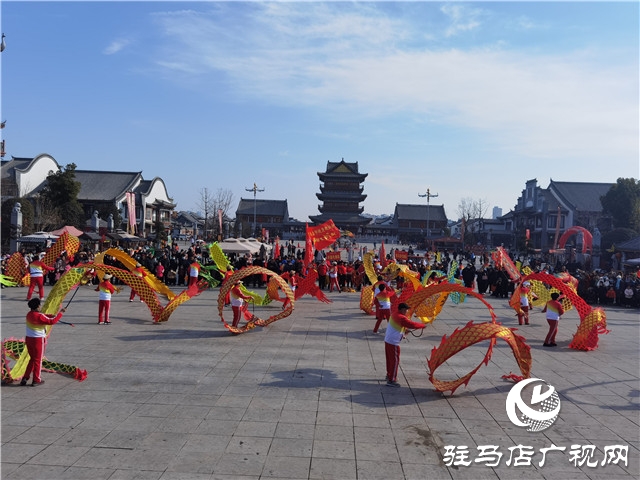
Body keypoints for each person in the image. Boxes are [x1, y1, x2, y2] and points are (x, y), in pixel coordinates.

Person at [21, 298, 66, 386]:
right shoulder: (40, 316)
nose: (40, 306)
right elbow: (52, 322)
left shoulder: (29, 314)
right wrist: (61, 313)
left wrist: (50, 315)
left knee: (32, 359)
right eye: (39, 305)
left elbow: (43, 316)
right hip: (38, 340)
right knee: (38, 360)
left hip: (29, 339)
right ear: (38, 306)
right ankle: (36, 380)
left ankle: (25, 378)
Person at [384, 303, 426, 387]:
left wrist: (404, 331)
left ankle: (389, 375)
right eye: (406, 310)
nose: (407, 311)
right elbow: (412, 324)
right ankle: (392, 380)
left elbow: (399, 326)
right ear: (403, 310)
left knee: (390, 360)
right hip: (393, 342)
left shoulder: (394, 314)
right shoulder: (401, 317)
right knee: (395, 361)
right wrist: (422, 325)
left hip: (388, 340)